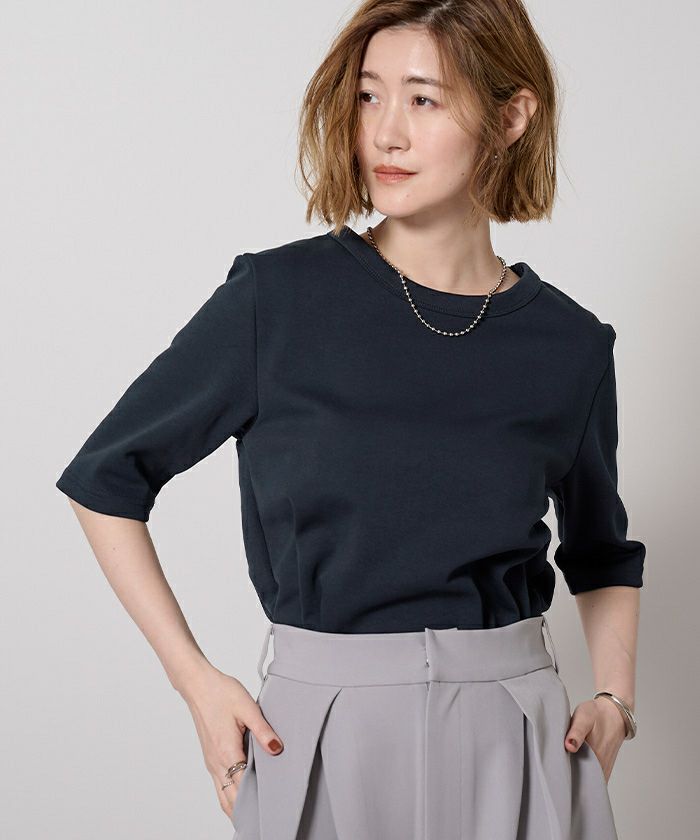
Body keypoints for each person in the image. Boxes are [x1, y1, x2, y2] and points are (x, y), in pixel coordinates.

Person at [55, 1, 646, 838]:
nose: (385, 133)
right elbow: (105, 481)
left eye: (423, 98)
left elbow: (601, 551)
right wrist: (196, 682)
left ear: (512, 117)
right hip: (323, 729)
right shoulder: (277, 300)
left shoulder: (571, 345)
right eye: (369, 96)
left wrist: (616, 699)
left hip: (516, 736)